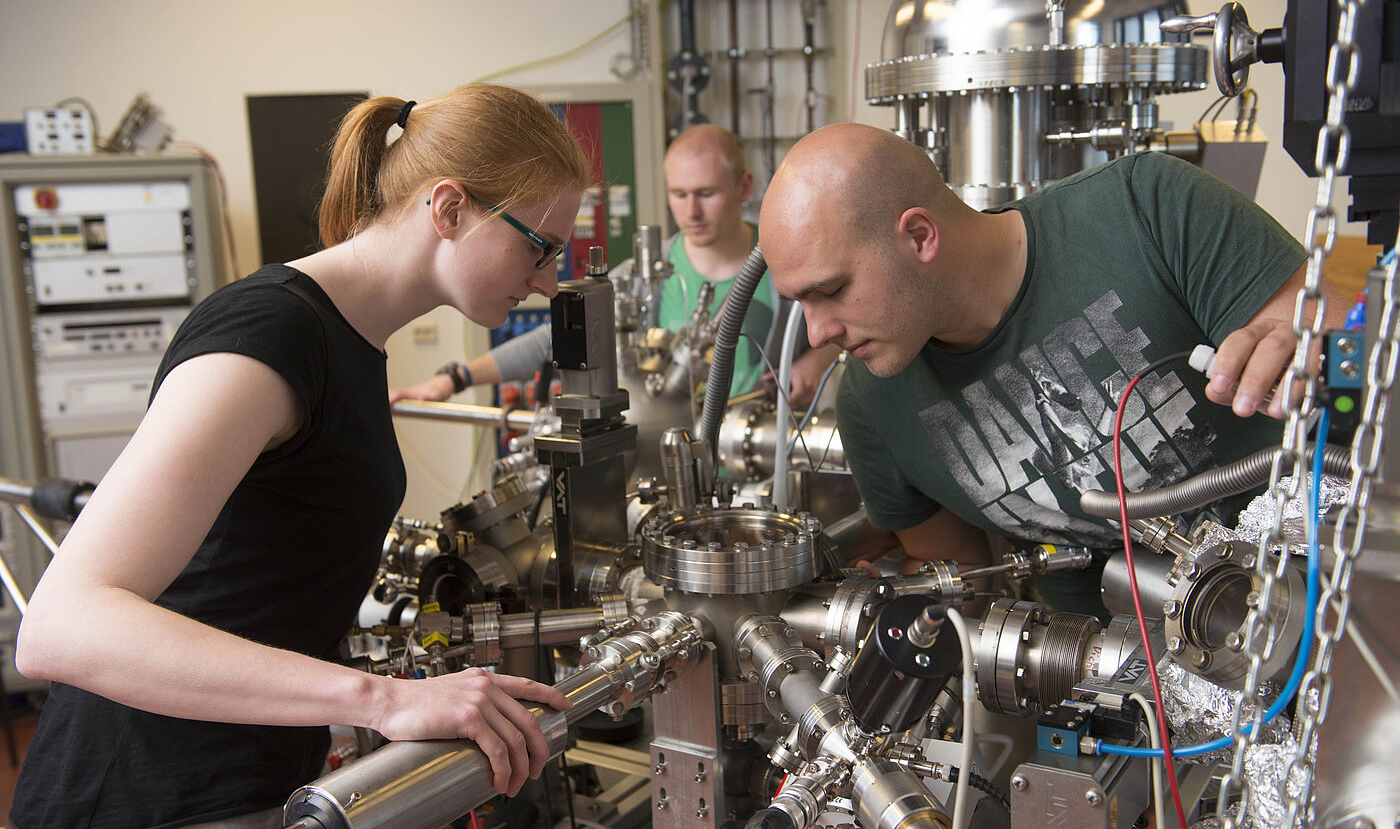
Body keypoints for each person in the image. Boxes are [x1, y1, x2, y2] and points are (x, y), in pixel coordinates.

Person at [11, 84, 589, 829]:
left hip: (252, 780)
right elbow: (61, 625)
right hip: (141, 794)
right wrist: (383, 699)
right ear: (448, 210)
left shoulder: (351, 341)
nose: (546, 280)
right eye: (538, 246)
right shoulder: (271, 332)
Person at [757, 122, 1348, 617]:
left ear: (918, 235)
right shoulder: (874, 402)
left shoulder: (1144, 208)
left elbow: (1339, 352)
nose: (817, 333)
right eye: (800, 303)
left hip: (1332, 606)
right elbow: (961, 576)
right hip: (1121, 687)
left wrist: (1315, 347)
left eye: (830, 291)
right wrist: (880, 605)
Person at [389, 123, 839, 408]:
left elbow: (847, 321)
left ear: (744, 186)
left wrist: (817, 362)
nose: (691, 211)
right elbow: (555, 339)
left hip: (760, 464)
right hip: (674, 471)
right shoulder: (646, 277)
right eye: (679, 194)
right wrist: (456, 378)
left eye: (706, 194)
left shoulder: (787, 266)